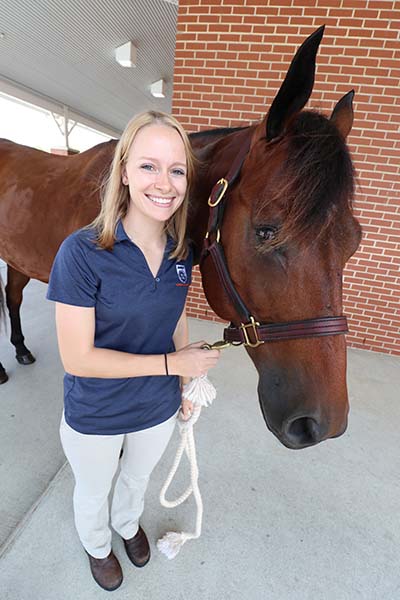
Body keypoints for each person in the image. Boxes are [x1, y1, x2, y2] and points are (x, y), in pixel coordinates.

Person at [46, 110, 220, 591]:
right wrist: (173, 364)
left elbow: (177, 315)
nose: (165, 183)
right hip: (96, 411)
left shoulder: (182, 251)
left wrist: (186, 379)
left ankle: (126, 525)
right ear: (123, 171)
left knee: (137, 481)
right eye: (149, 166)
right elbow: (77, 358)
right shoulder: (82, 252)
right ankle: (98, 544)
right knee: (93, 488)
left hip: (157, 406)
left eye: (177, 169)